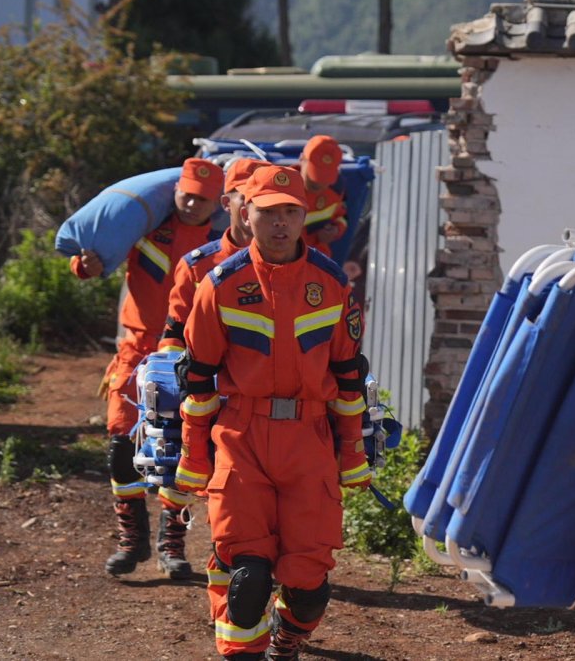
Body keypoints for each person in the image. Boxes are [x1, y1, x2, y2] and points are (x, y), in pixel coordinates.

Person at [174, 164, 371, 660]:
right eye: (267, 212)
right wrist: (194, 456)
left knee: (308, 585)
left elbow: (348, 378)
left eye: (290, 212)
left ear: (304, 215)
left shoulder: (331, 284)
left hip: (310, 441)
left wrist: (352, 452)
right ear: (245, 212)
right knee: (248, 576)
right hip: (241, 436)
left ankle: (288, 640)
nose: (279, 223)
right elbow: (198, 381)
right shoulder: (219, 284)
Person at [70, 157, 223, 579]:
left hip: (190, 357)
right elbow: (98, 255)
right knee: (121, 444)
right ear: (176, 191)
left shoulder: (222, 242)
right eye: (187, 194)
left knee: (182, 449)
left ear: (219, 202)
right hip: (136, 351)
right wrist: (86, 265)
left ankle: (171, 544)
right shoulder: (147, 228)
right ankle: (131, 540)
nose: (193, 204)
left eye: (203, 199)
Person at [159, 158, 267, 352]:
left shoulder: (303, 266)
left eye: (264, 199)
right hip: (212, 380)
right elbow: (174, 339)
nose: (255, 207)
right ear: (226, 203)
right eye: (247, 198)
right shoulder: (195, 266)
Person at [297, 134, 347, 257]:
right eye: (315, 174)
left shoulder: (336, 190)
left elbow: (342, 216)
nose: (319, 183)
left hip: (317, 262)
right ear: (301, 159)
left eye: (326, 177)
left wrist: (336, 229)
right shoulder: (282, 189)